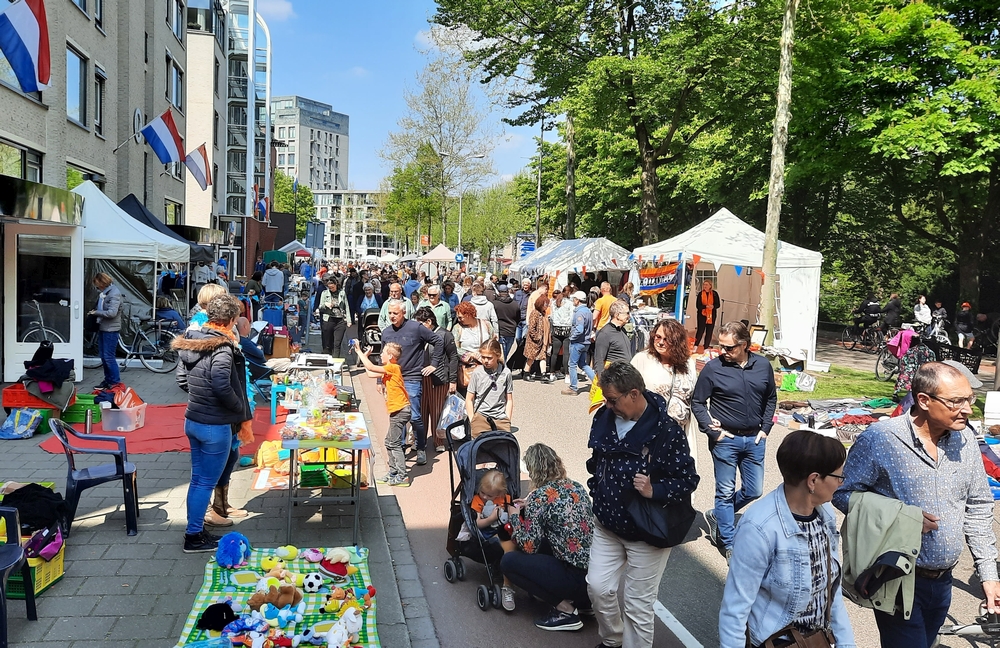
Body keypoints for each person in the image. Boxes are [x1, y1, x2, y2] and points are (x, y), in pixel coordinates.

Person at [833, 362, 999, 648]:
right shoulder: (881, 438)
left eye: (969, 399)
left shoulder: (967, 440)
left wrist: (989, 575)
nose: (968, 409)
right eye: (956, 401)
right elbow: (842, 493)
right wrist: (901, 518)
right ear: (924, 400)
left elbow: (980, 506)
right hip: (897, 577)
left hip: (944, 582)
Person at [586, 362, 699, 648]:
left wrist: (655, 491)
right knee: (597, 587)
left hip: (646, 534)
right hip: (607, 524)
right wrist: (596, 490)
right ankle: (613, 639)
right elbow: (596, 462)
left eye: (613, 400)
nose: (608, 406)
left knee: (638, 607)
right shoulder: (604, 417)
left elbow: (688, 479)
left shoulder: (667, 431)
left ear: (634, 394)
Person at [719, 430, 855, 648]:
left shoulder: (825, 515)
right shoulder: (759, 528)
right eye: (838, 477)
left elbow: (831, 593)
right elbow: (735, 609)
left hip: (816, 641)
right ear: (813, 480)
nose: (841, 483)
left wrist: (846, 644)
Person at [692, 321, 777, 560]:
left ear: (744, 345)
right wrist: (713, 431)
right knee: (725, 491)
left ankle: (719, 515)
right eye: (721, 346)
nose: (723, 352)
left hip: (755, 440)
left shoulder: (762, 365)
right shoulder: (713, 368)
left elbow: (771, 398)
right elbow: (697, 403)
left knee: (754, 490)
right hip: (725, 440)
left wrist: (766, 428)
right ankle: (728, 543)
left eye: (729, 348)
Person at [173, 294, 252, 552]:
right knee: (204, 482)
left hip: (194, 419)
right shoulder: (221, 346)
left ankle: (195, 530)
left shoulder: (193, 341)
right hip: (214, 425)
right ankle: (193, 536)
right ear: (230, 320)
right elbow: (220, 382)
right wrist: (238, 408)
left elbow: (182, 380)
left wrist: (201, 396)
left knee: (198, 480)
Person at [502, 443, 594, 631]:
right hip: (594, 577)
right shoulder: (576, 487)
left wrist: (514, 515)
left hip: (573, 578)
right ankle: (584, 604)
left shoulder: (540, 497)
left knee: (509, 561)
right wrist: (530, 504)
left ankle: (565, 610)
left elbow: (529, 545)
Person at [629, 318, 699, 472]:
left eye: (667, 339)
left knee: (678, 479)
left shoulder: (688, 364)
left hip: (680, 434)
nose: (660, 342)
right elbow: (627, 393)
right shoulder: (642, 360)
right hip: (649, 436)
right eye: (658, 337)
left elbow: (695, 397)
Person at [381, 300, 442, 466]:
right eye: (390, 313)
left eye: (395, 313)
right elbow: (383, 356)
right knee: (396, 415)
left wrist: (433, 364)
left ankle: (420, 447)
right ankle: (399, 448)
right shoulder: (386, 332)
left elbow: (438, 341)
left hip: (412, 377)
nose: (392, 316)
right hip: (392, 379)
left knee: (415, 416)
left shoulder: (416, 327)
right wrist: (381, 382)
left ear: (404, 313)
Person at [356, 341, 411, 487]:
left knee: (394, 443)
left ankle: (402, 475)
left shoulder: (393, 367)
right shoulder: (389, 369)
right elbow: (369, 372)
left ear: (391, 356)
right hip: (396, 410)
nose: (380, 354)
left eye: (383, 353)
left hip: (401, 410)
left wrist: (360, 352)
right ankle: (393, 472)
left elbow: (370, 366)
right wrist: (365, 356)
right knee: (389, 442)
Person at [470, 469, 518, 611]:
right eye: (482, 492)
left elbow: (511, 513)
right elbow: (477, 524)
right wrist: (491, 518)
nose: (484, 497)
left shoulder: (505, 498)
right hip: (486, 533)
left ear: (500, 494)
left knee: (515, 543)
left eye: (489, 495)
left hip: (504, 529)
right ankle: (506, 586)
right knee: (507, 546)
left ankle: (510, 575)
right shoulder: (478, 500)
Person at [413, 306, 458, 453]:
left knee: (437, 410)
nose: (417, 327)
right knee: (421, 410)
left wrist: (453, 380)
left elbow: (453, 358)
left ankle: (438, 440)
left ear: (429, 321)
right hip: (421, 377)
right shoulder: (419, 335)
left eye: (420, 323)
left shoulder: (445, 335)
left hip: (438, 378)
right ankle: (420, 440)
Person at [465, 338, 514, 437]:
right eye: (483, 357)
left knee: (502, 449)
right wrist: (472, 420)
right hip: (480, 418)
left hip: (500, 418)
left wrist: (507, 419)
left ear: (498, 355)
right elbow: (469, 399)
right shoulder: (477, 373)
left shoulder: (506, 373)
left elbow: (509, 399)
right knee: (479, 449)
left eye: (489, 358)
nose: (485, 361)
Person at [89, 272, 123, 389]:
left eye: (98, 285)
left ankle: (115, 383)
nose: (97, 287)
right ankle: (108, 380)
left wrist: (95, 313)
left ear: (103, 283)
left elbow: (112, 313)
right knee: (104, 357)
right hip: (104, 327)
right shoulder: (106, 292)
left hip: (111, 329)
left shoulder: (114, 293)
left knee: (108, 357)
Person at [562, 291, 596, 396]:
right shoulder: (588, 311)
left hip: (578, 342)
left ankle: (573, 387)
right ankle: (597, 382)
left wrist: (572, 337)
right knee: (583, 364)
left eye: (574, 299)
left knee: (572, 364)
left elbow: (579, 329)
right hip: (586, 342)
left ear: (577, 300)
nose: (573, 301)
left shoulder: (580, 313)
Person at [593, 300, 633, 378]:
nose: (629, 316)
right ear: (617, 315)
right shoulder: (605, 333)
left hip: (624, 376)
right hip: (613, 378)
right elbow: (599, 360)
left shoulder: (623, 330)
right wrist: (602, 381)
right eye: (627, 313)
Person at [318, 278, 351, 357]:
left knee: (337, 343)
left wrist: (349, 320)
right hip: (328, 319)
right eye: (329, 288)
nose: (331, 289)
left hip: (340, 320)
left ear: (336, 285)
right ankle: (327, 360)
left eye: (332, 287)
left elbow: (346, 306)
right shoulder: (324, 293)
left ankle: (335, 363)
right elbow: (320, 306)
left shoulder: (342, 293)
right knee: (328, 343)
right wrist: (326, 305)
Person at [522, 295, 552, 382]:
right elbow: (531, 328)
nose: (547, 306)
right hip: (533, 341)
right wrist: (537, 337)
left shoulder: (543, 314)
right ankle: (526, 373)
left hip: (542, 340)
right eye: (545, 304)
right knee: (531, 358)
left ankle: (543, 375)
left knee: (543, 357)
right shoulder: (534, 313)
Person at [548, 286, 573, 380]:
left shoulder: (554, 303)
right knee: (566, 353)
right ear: (569, 293)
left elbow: (552, 316)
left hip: (556, 329)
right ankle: (567, 374)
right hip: (567, 329)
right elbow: (571, 316)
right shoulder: (570, 304)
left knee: (554, 353)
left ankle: (551, 373)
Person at [492, 283, 521, 362]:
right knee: (505, 354)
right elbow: (518, 318)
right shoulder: (515, 304)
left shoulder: (494, 304)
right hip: (511, 331)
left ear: (499, 292)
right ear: (508, 291)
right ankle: (503, 368)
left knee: (501, 354)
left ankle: (502, 369)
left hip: (500, 331)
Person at [693, 279, 720, 352]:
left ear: (710, 286)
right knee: (700, 331)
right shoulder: (700, 294)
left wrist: (713, 306)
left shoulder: (714, 294)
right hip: (702, 315)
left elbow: (718, 304)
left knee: (709, 331)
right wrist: (706, 307)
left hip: (711, 315)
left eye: (706, 285)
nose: (705, 286)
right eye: (704, 284)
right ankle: (695, 346)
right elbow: (698, 306)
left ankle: (706, 347)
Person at [513, 278, 533, 343]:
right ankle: (519, 350)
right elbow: (513, 303)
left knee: (523, 338)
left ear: (530, 285)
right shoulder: (517, 293)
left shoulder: (531, 294)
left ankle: (521, 352)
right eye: (524, 285)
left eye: (527, 285)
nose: (525, 286)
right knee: (517, 338)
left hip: (526, 319)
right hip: (518, 319)